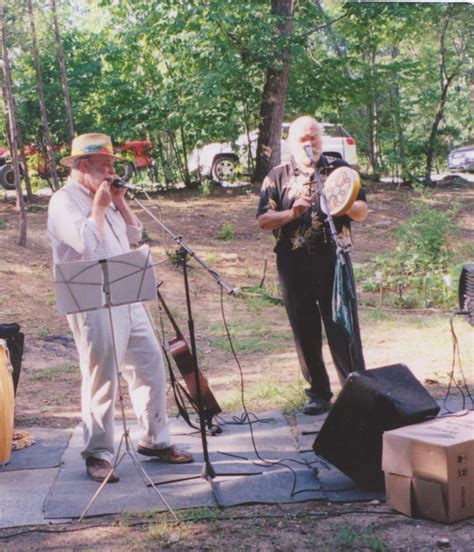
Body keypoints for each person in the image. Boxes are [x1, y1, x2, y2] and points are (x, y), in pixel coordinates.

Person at [48, 133, 193, 483]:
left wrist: (119, 202)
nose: (113, 171)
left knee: (149, 363)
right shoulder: (63, 201)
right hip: (92, 299)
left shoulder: (106, 196)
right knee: (102, 375)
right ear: (84, 167)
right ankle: (98, 453)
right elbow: (84, 243)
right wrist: (98, 207)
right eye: (106, 165)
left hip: (126, 293)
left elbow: (132, 236)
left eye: (113, 164)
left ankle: (155, 440)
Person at [257, 116, 368, 415]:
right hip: (293, 265)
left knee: (342, 325)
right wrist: (290, 214)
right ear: (291, 143)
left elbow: (362, 209)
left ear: (322, 138)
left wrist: (343, 204)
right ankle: (319, 393)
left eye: (314, 138)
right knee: (304, 329)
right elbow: (263, 220)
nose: (309, 144)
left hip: (334, 262)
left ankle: (356, 387)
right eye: (303, 140)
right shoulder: (276, 177)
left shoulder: (339, 170)